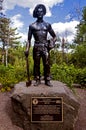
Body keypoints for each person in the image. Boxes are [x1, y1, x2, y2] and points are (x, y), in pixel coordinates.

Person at [25, 4, 57, 86]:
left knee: (46, 64)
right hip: (36, 47)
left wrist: (52, 43)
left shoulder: (47, 25)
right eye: (38, 12)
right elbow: (28, 40)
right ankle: (37, 79)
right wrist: (27, 49)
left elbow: (54, 36)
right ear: (36, 13)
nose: (40, 13)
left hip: (45, 47)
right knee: (36, 64)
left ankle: (47, 79)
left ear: (44, 13)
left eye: (41, 12)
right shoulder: (32, 26)